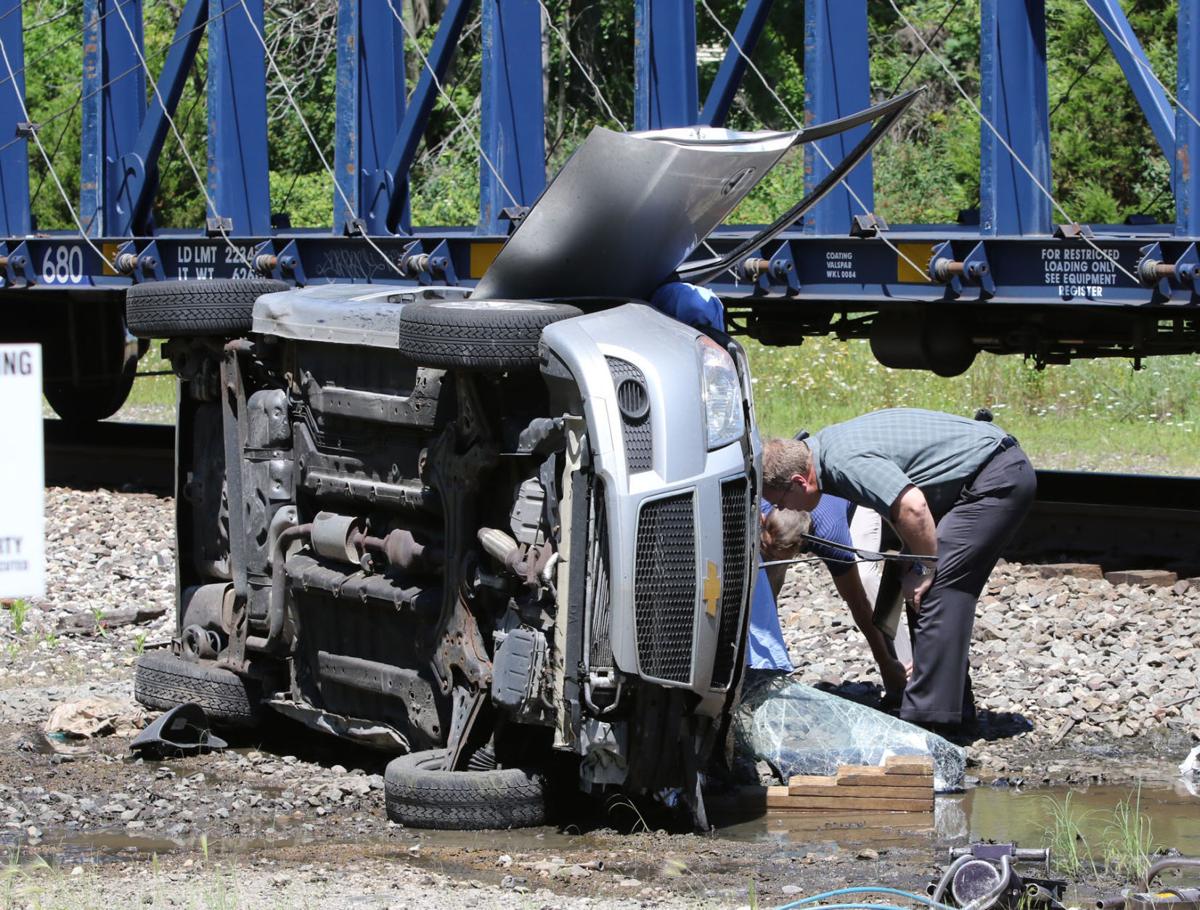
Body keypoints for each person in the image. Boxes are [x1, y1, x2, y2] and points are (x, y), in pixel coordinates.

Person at [761, 408, 1036, 733]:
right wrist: (913, 554)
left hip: (996, 478)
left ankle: (927, 726)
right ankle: (953, 712)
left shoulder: (842, 462)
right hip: (979, 477)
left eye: (779, 501)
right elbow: (897, 498)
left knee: (935, 588)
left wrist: (927, 565)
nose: (782, 509)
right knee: (915, 580)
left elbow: (913, 506)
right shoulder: (826, 454)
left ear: (798, 482)